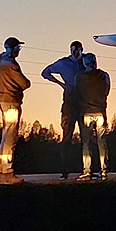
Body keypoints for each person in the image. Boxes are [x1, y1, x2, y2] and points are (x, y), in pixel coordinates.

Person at [41, 41, 84, 180]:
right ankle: (65, 170)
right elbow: (45, 72)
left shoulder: (86, 62)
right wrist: (61, 84)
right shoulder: (63, 63)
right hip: (70, 100)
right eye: (74, 50)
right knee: (67, 136)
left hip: (84, 100)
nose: (77, 53)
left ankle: (87, 168)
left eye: (79, 50)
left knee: (87, 135)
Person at [0, 37, 30, 185]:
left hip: (5, 100)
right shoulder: (10, 64)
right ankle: (6, 172)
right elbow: (24, 83)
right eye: (17, 48)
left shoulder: (3, 62)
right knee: (10, 137)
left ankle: (4, 171)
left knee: (7, 136)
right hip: (11, 101)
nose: (18, 51)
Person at [74, 53, 110, 181]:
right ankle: (104, 170)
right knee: (101, 142)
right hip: (100, 111)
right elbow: (107, 91)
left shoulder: (79, 78)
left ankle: (87, 171)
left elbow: (76, 93)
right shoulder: (104, 76)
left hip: (86, 112)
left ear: (84, 63)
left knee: (86, 143)